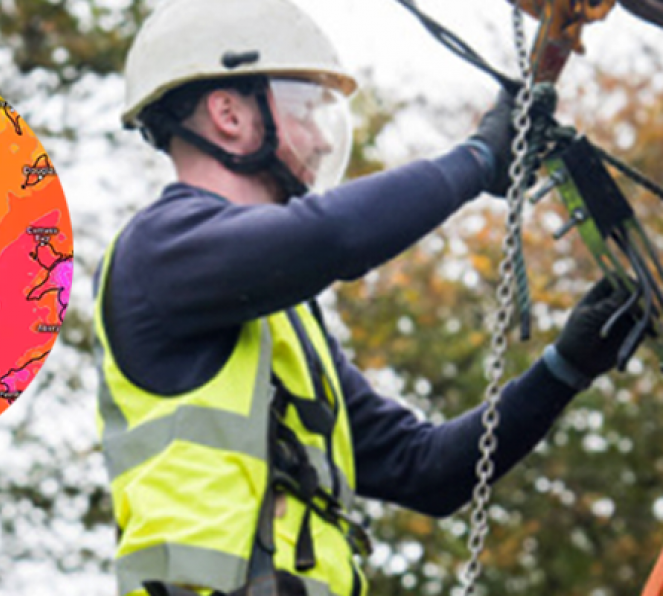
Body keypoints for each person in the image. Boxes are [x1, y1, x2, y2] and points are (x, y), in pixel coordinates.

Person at [93, 1, 639, 595]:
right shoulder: (159, 250)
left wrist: (565, 366)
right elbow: (332, 235)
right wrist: (477, 159)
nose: (323, 141)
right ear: (228, 114)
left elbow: (426, 468)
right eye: (306, 110)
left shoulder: (283, 325)